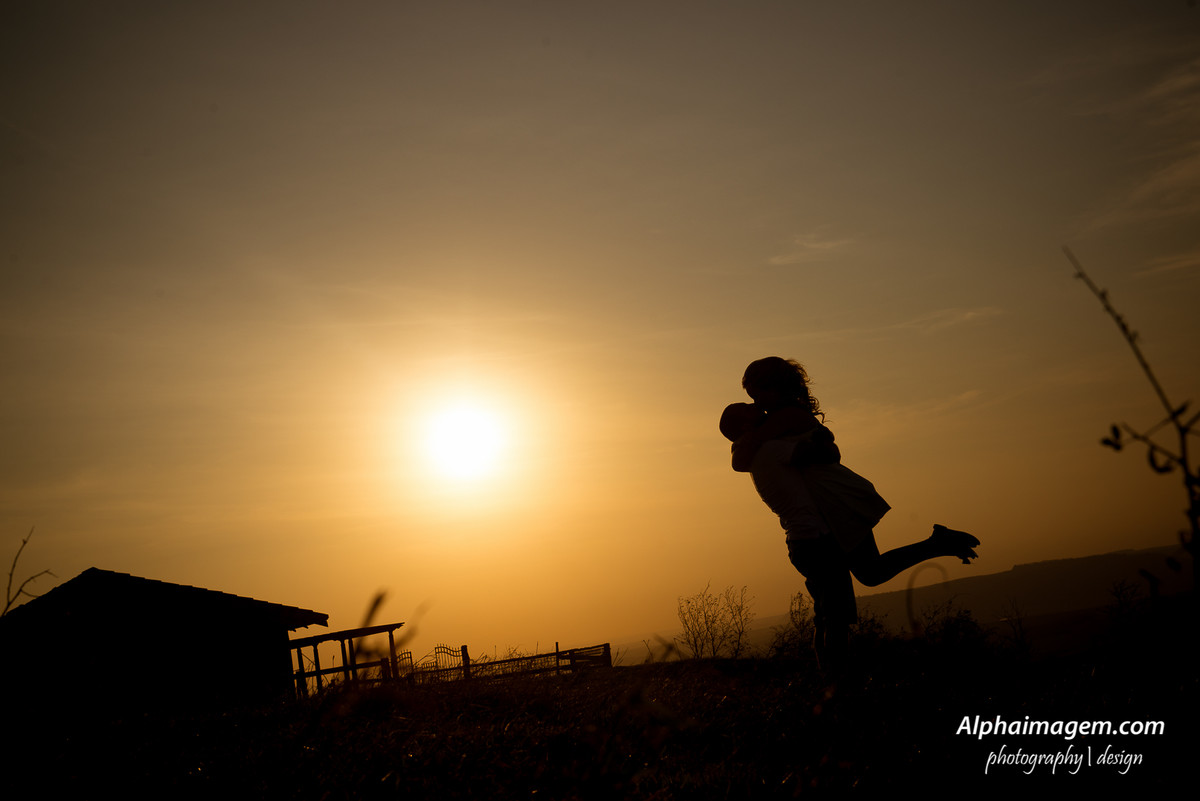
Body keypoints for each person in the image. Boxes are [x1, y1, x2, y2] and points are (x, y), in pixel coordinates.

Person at [721, 357, 979, 670]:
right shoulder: (776, 422)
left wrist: (747, 438)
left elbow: (750, 456)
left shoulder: (783, 418)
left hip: (832, 504)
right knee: (865, 578)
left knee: (847, 597)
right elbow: (749, 455)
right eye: (751, 399)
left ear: (776, 387)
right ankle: (937, 544)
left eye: (756, 394)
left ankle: (833, 681)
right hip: (826, 509)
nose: (755, 403)